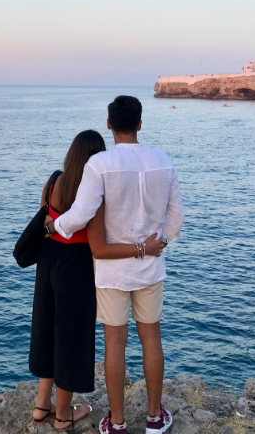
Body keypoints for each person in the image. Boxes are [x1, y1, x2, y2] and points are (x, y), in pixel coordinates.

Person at [45, 96, 184, 434]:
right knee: (152, 338)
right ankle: (154, 418)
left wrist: (54, 227)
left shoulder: (100, 165)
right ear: (139, 123)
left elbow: (80, 214)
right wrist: (156, 245)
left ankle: (117, 422)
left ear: (109, 125)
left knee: (114, 344)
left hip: (111, 272)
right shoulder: (163, 161)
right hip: (150, 268)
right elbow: (176, 220)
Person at [29, 130, 165, 430]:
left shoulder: (54, 181)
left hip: (48, 261)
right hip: (74, 267)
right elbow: (96, 242)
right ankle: (63, 414)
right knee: (70, 339)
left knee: (47, 332)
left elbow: (46, 217)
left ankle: (41, 405)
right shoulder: (92, 190)